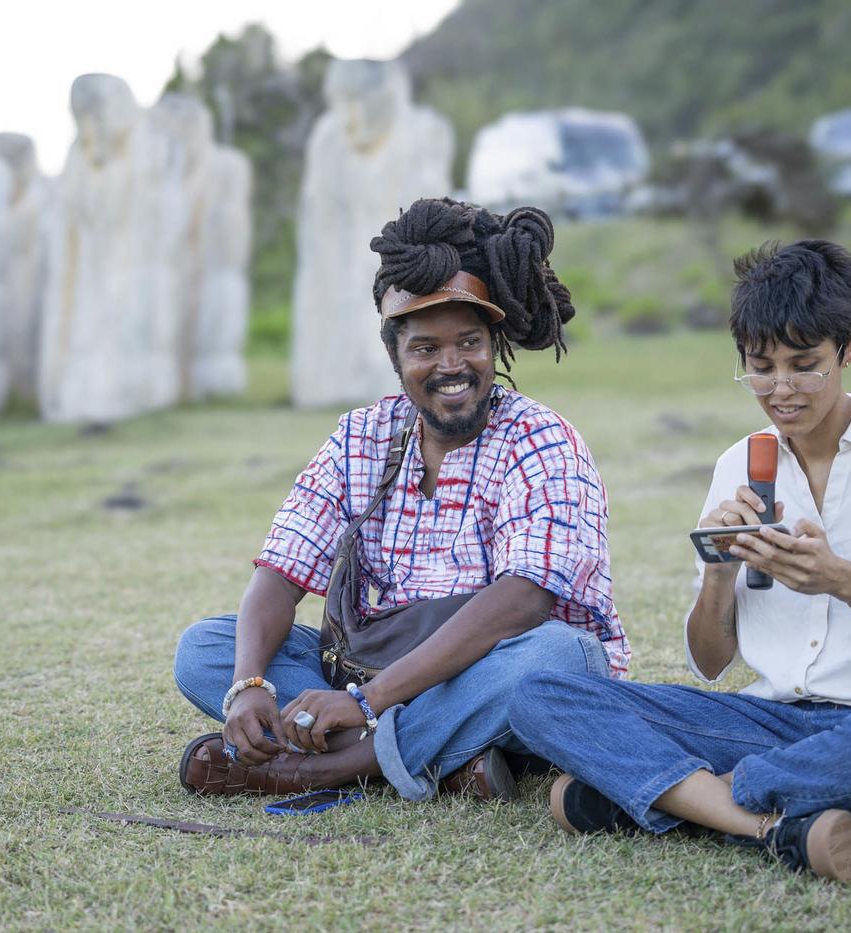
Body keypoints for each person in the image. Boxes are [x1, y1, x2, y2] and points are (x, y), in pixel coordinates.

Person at [509, 240, 851, 883]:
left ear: (849, 350)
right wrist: (718, 571)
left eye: (805, 365)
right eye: (760, 368)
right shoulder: (741, 463)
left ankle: (680, 795)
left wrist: (846, 582)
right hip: (775, 723)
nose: (781, 390)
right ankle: (765, 824)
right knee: (540, 694)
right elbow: (710, 662)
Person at [173, 198, 629, 801]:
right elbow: (280, 573)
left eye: (469, 342)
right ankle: (450, 758)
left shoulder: (540, 437)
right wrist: (249, 682)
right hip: (371, 671)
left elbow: (524, 600)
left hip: (491, 669)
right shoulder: (360, 434)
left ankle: (328, 768)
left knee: (563, 658)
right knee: (206, 647)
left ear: (494, 346)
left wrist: (365, 703)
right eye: (424, 349)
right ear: (395, 356)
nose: (451, 365)